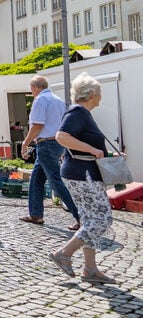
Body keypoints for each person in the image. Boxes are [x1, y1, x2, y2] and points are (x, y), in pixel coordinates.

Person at [49, 73, 118, 284]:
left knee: (89, 220)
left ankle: (90, 269)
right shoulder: (78, 112)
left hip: (79, 172)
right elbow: (61, 136)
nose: (101, 96)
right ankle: (64, 253)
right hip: (83, 174)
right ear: (91, 93)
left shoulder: (82, 113)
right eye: (99, 92)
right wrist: (91, 149)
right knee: (102, 218)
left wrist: (108, 155)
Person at [19, 75, 80, 229]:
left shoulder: (40, 100)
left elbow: (37, 126)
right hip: (57, 143)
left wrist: (25, 144)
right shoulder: (59, 101)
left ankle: (81, 216)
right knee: (37, 179)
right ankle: (36, 214)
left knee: (56, 181)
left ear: (33, 88)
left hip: (46, 143)